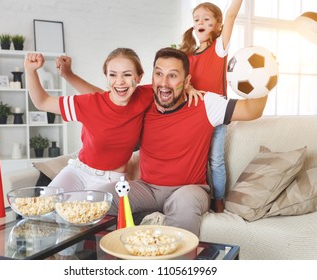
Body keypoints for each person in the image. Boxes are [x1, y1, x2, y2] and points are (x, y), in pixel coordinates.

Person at [75, 47, 267, 236]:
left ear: (187, 81)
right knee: (96, 200)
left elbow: (252, 110)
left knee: (183, 204)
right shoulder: (143, 99)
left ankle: (175, 266)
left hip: (189, 189)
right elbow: (104, 100)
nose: (164, 83)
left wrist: (265, 79)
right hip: (147, 188)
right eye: (159, 74)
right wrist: (69, 74)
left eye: (173, 76)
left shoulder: (205, 103)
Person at [24, 48, 154, 191]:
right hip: (78, 171)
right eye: (112, 75)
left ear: (139, 77)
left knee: (85, 213)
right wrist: (30, 71)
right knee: (46, 206)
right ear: (107, 77)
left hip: (112, 180)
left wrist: (69, 75)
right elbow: (42, 102)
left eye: (127, 75)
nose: (120, 81)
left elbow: (176, 85)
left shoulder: (145, 96)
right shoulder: (90, 103)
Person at [179, 0, 243, 212]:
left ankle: (218, 200)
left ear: (217, 25)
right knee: (195, 159)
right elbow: (180, 81)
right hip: (194, 116)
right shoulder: (187, 56)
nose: (201, 22)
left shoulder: (219, 48)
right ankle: (199, 196)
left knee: (215, 159)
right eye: (197, 19)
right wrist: (188, 90)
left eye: (207, 19)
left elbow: (231, 15)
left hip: (216, 115)